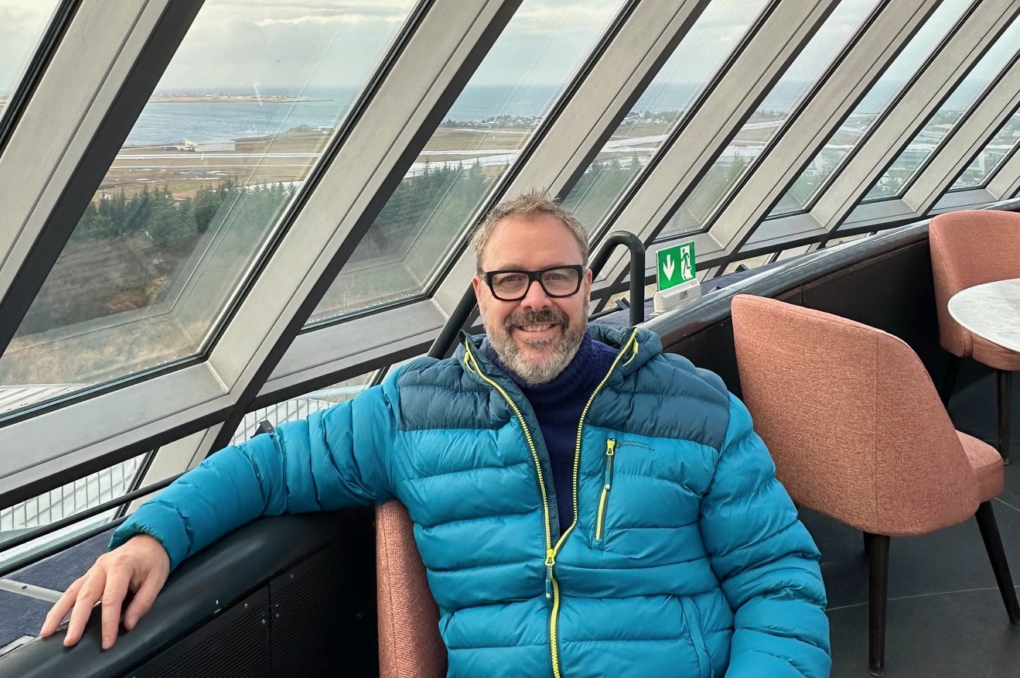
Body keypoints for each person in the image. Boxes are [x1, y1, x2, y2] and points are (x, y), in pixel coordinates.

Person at [42, 192, 831, 677]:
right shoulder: (414, 412)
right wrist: (152, 538)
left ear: (590, 286)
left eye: (558, 276)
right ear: (479, 292)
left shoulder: (697, 409)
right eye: (510, 280)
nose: (536, 301)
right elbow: (271, 463)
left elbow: (778, 580)